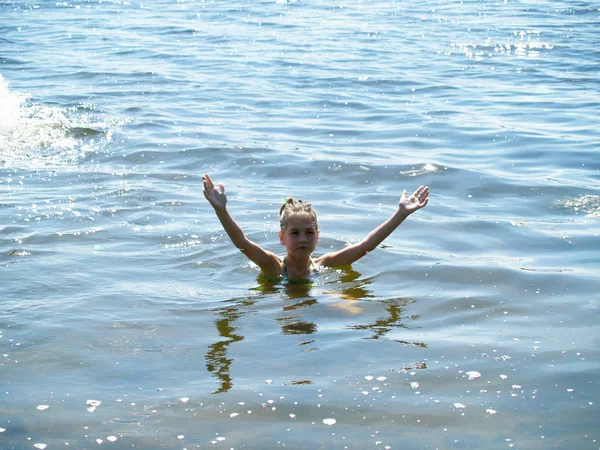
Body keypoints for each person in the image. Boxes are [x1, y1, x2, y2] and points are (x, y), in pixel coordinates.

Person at [202, 173, 429, 281]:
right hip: (276, 302)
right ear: (282, 238)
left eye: (309, 233)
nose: (303, 239)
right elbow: (242, 243)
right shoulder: (273, 266)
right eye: (295, 233)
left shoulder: (324, 264)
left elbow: (366, 246)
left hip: (309, 303)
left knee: (353, 310)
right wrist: (221, 210)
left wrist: (400, 214)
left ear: (317, 236)